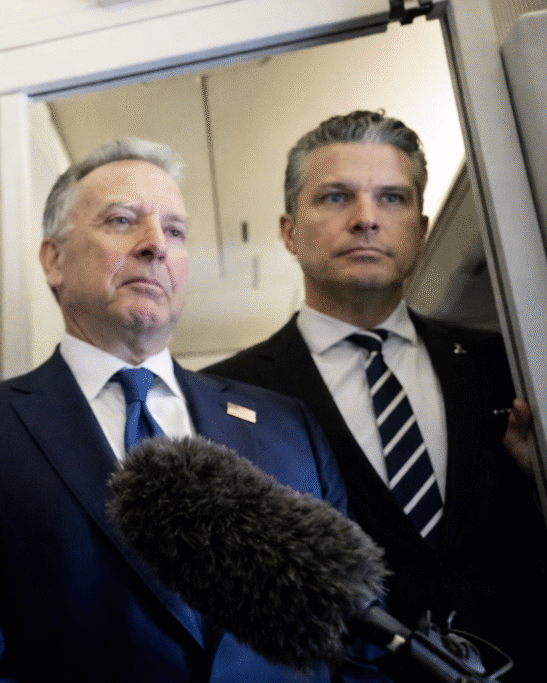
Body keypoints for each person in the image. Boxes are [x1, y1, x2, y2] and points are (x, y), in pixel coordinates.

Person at [0, 138, 385, 682]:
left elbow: (356, 643)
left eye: (175, 231)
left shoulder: (289, 425)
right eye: (122, 221)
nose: (155, 246)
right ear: (54, 259)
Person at [205, 110, 547, 679]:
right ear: (289, 231)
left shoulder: (510, 367)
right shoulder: (226, 398)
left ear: (421, 228)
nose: (366, 219)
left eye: (392, 198)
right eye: (335, 198)